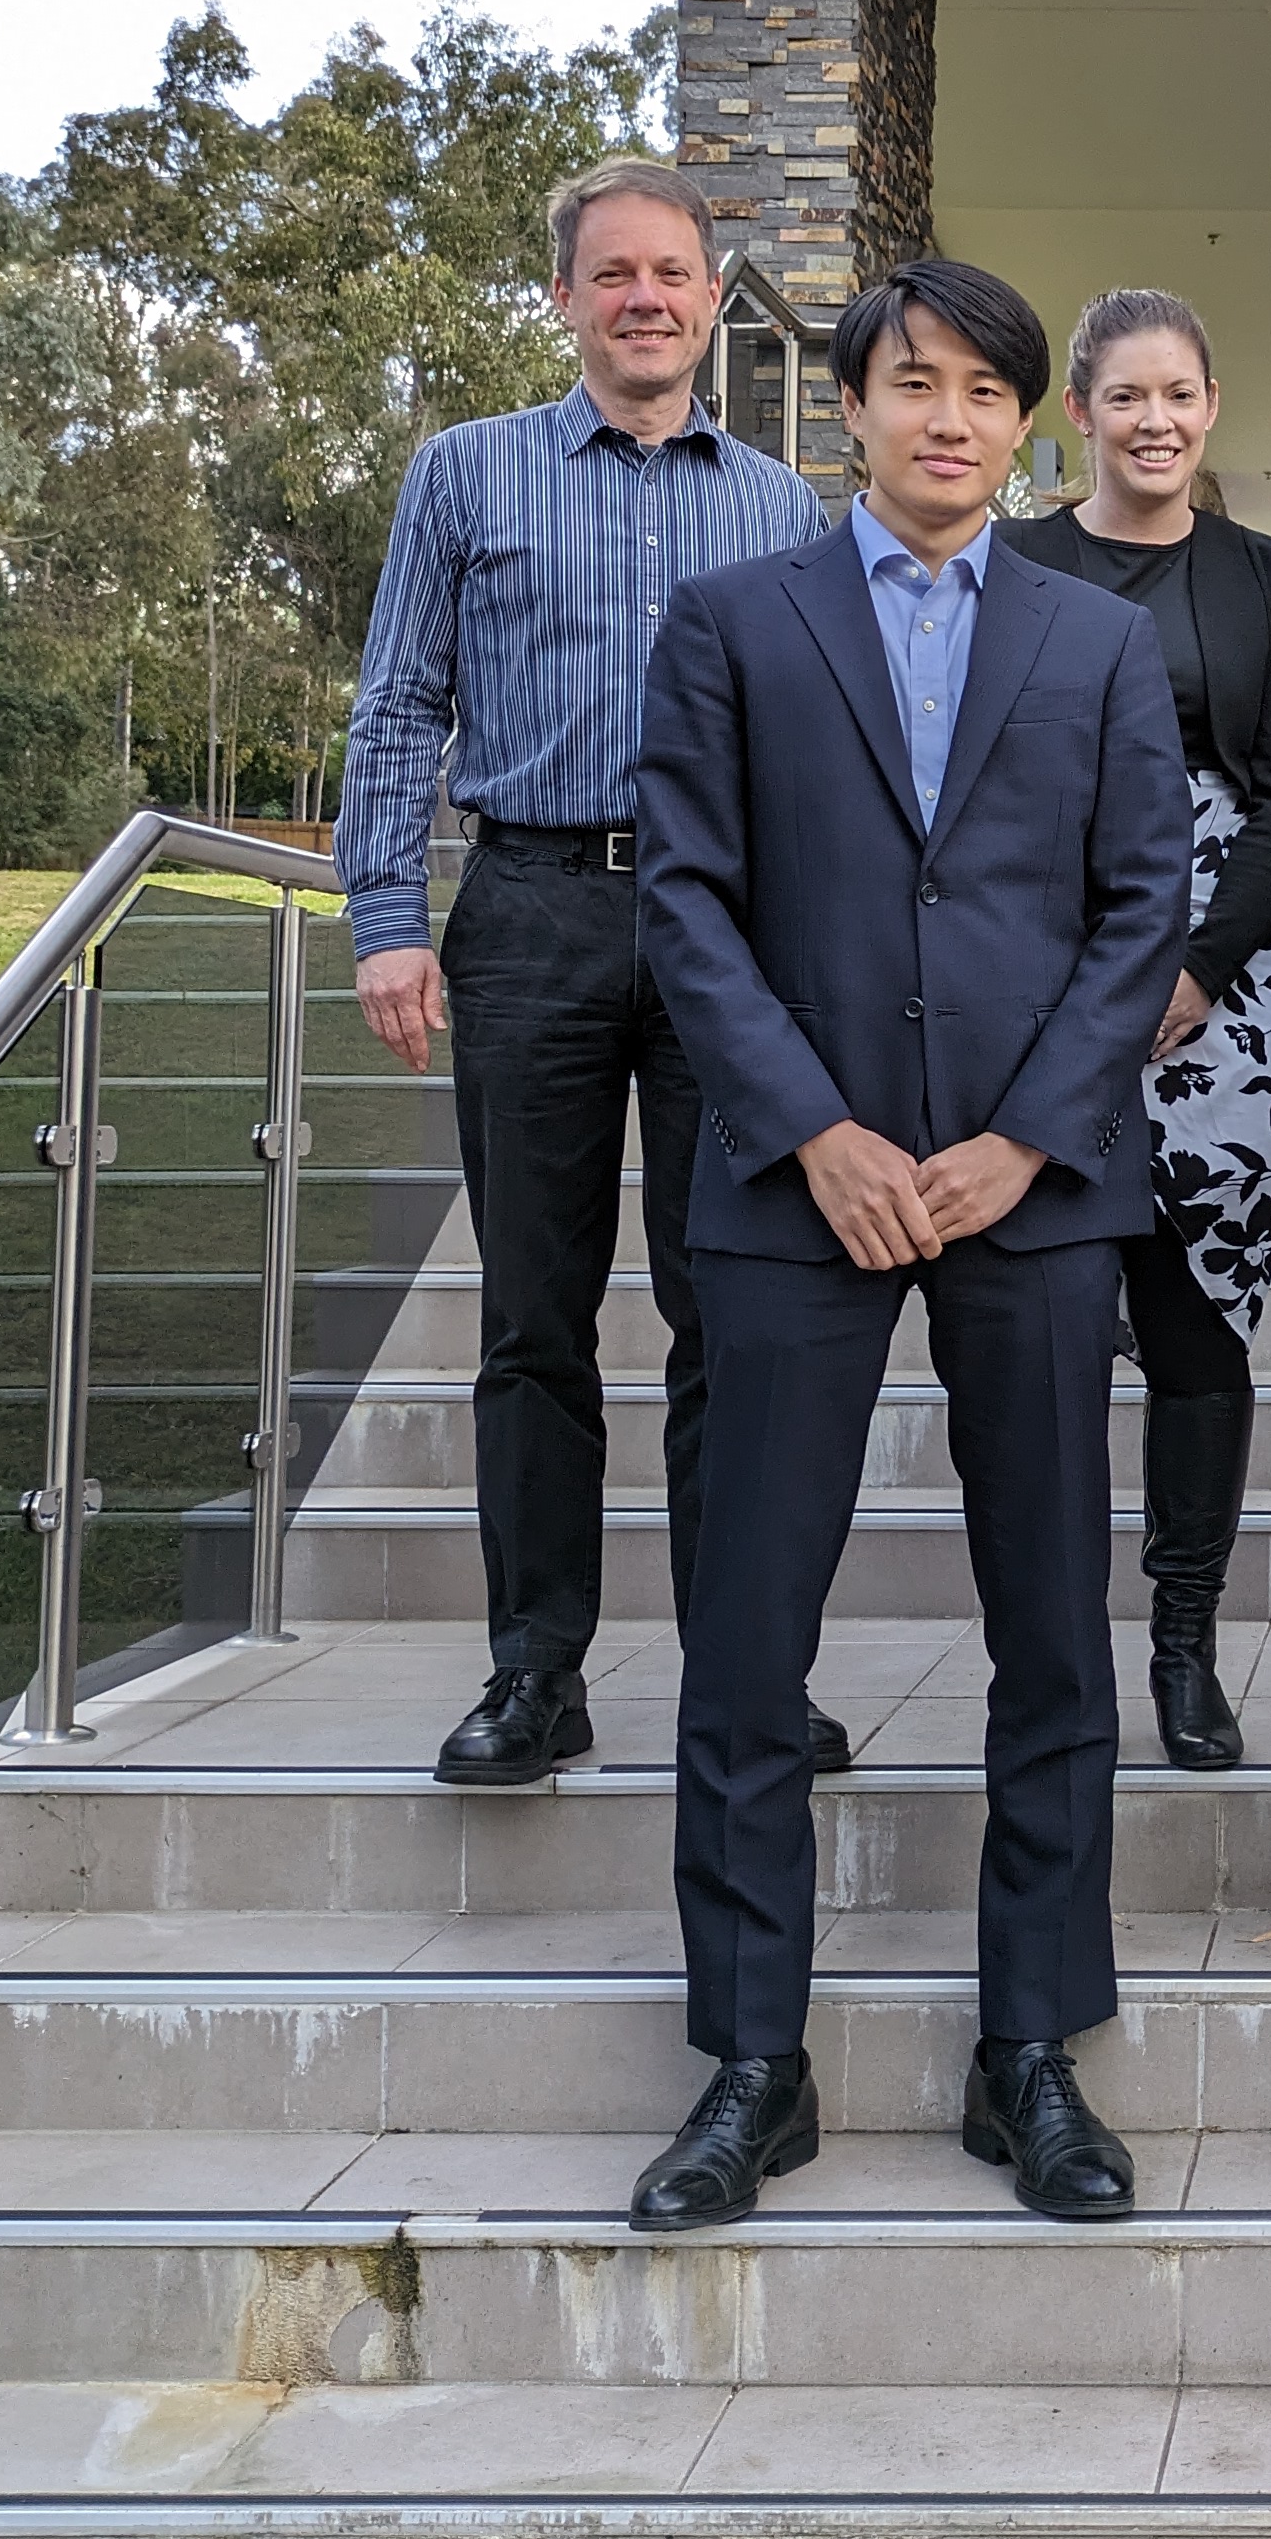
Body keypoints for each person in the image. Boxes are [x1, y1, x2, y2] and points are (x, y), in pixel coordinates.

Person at [623, 257, 1193, 2230]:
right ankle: (749, 2060)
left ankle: (1027, 2047)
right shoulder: (730, 622)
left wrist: (1026, 1138)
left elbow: (1139, 914)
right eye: (912, 383)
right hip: (796, 1191)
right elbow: (685, 901)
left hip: (1030, 1199)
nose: (947, 419)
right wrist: (825, 1132)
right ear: (845, 408)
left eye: (982, 393)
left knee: (1048, 1624)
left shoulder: (1095, 639)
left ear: (1022, 426)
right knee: (745, 1635)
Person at [337, 156, 853, 1793]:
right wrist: (385, 916)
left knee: (736, 1321)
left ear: (711, 300)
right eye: (610, 272)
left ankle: (745, 1679)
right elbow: (399, 704)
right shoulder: (464, 475)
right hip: (532, 916)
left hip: (727, 940)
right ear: (562, 296)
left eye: (671, 273)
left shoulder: (781, 510)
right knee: (533, 1322)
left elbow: (819, 753)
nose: (643, 297)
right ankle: (534, 1672)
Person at [1004, 290, 1271, 1770]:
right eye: (1125, 396)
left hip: (1230, 996)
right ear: (1080, 411)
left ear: (1212, 408)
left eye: (1179, 395)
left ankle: (1185, 1644)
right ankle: (1056, 1653)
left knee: (1199, 1336)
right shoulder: (1013, 563)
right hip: (1039, 971)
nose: (1154, 421)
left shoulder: (1267, 581)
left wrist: (1201, 965)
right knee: (1052, 1335)